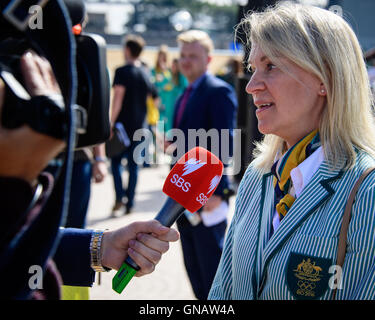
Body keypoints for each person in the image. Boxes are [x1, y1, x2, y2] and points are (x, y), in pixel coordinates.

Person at [209, 2, 375, 300]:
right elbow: (223, 291)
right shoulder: (257, 176)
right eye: (253, 68)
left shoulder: (367, 189)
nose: (252, 86)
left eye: (271, 66)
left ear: (324, 78)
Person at [0, 50, 179, 299]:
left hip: (117, 138)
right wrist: (14, 185)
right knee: (129, 169)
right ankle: (125, 199)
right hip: (132, 132)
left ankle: (123, 199)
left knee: (124, 169)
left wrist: (101, 246)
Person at [166, 30, 238, 300]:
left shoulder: (218, 91)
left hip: (206, 196)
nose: (186, 61)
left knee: (212, 271)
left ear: (208, 59)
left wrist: (217, 192)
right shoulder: (186, 92)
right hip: (183, 194)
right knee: (194, 267)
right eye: (182, 56)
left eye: (193, 56)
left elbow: (224, 142)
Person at [110, 34, 156, 215]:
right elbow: (152, 97)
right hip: (140, 125)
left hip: (122, 126)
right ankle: (130, 202)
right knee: (133, 166)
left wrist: (111, 122)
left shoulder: (121, 71)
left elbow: (118, 97)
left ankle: (119, 197)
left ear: (127, 50)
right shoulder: (145, 73)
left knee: (115, 163)